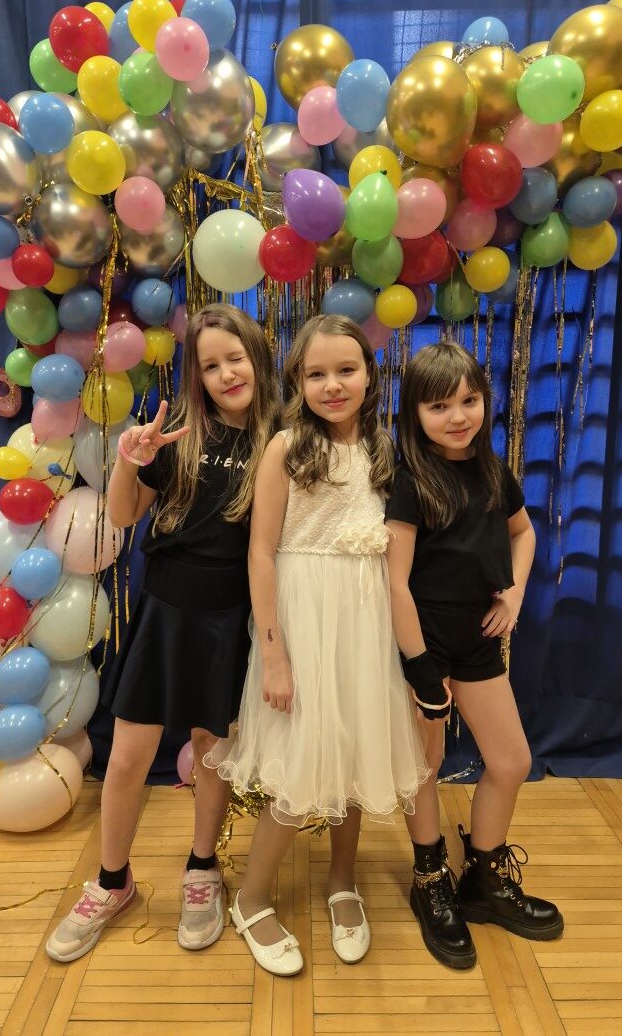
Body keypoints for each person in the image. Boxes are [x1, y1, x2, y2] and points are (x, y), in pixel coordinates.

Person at [46, 305, 280, 963]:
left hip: (230, 617)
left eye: (235, 358)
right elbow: (123, 515)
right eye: (210, 365)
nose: (226, 373)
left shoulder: (280, 441)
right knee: (126, 757)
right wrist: (129, 460)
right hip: (164, 610)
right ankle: (111, 880)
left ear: (257, 359)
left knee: (211, 750)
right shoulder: (177, 431)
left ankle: (203, 867)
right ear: (195, 376)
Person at [207, 314, 429, 976]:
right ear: (297, 382)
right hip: (302, 620)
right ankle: (251, 896)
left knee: (352, 750)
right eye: (316, 374)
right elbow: (261, 553)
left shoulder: (384, 450)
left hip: (364, 621)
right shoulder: (285, 449)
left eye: (346, 370)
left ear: (370, 375)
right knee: (301, 758)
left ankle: (342, 879)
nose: (332, 385)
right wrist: (274, 654)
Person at [385, 340, 563, 971]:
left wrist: (513, 594)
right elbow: (394, 581)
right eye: (439, 406)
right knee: (424, 766)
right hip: (426, 644)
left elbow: (524, 532)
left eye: (469, 401)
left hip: (479, 641)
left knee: (511, 761)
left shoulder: (492, 471)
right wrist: (419, 668)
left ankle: (483, 880)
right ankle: (430, 880)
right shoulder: (409, 482)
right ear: (414, 412)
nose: (458, 416)